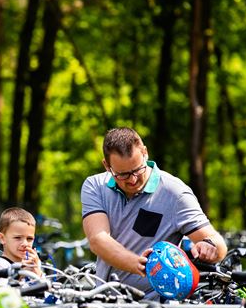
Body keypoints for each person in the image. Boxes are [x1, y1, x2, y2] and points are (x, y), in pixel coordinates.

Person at [81, 127, 227, 297]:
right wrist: (140, 264)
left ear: (145, 153)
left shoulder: (175, 193)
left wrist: (209, 247)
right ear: (107, 166)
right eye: (123, 175)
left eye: (137, 170)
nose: (133, 180)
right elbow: (98, 240)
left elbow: (218, 244)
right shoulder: (95, 186)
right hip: (105, 302)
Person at [0, 207, 43, 283]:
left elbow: (45, 293)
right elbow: (1, 293)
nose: (25, 243)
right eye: (17, 237)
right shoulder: (0, 266)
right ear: (2, 238)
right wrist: (20, 275)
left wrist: (38, 273)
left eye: (29, 239)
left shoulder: (30, 265)